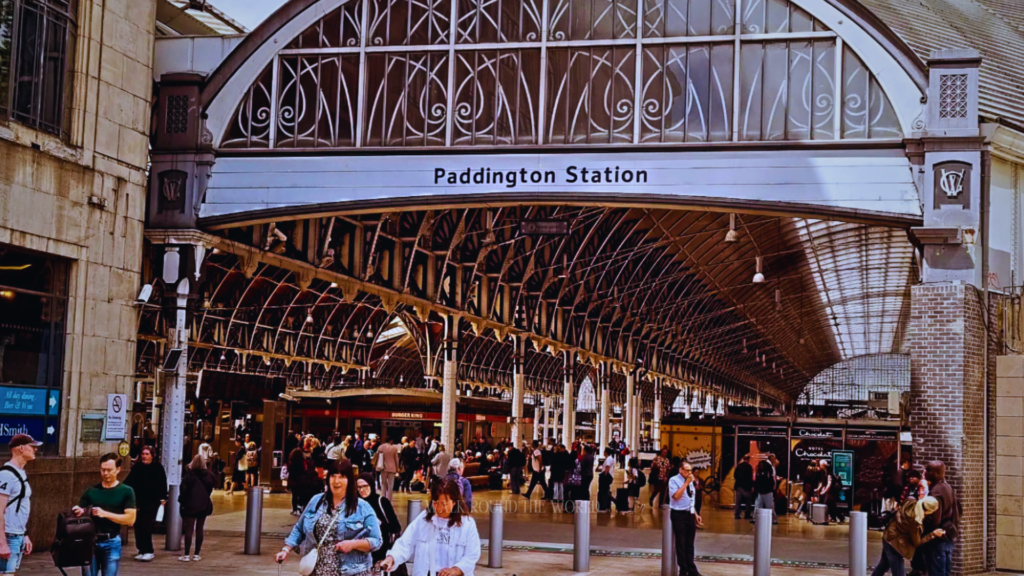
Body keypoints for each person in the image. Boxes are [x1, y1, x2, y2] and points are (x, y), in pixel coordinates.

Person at [275, 459, 383, 576]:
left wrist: (354, 544)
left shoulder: (362, 507)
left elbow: (376, 541)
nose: (336, 481)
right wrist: (286, 549)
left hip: (351, 572)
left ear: (350, 481)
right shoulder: (316, 501)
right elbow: (299, 528)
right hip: (317, 571)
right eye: (333, 476)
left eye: (342, 477)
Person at [379, 478, 481, 576]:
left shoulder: (467, 524)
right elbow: (406, 543)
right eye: (435, 503)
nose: (439, 508)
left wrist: (457, 569)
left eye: (444, 504)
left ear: (454, 502)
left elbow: (472, 554)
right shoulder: (423, 519)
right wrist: (392, 558)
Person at [73, 454, 138, 576]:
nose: (106, 473)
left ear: (118, 470)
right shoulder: (91, 490)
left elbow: (130, 520)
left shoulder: (126, 491)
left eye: (109, 470)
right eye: (103, 470)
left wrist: (105, 514)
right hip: (90, 541)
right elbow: (81, 513)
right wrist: (78, 511)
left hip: (111, 541)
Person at [0, 434, 41, 574]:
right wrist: (2, 543)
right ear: (21, 449)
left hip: (16, 535)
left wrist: (24, 534)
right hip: (8, 535)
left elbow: (19, 507)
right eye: (32, 447)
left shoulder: (20, 473)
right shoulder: (6, 475)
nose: (35, 450)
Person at [871, 496, 943, 576]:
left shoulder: (910, 502)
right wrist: (932, 534)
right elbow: (917, 542)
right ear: (929, 511)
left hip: (889, 536)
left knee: (883, 566)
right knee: (899, 572)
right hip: (895, 545)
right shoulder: (914, 521)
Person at [123, 445, 167, 562]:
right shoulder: (137, 467)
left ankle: (148, 550)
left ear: (152, 455)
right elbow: (128, 482)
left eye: (147, 454)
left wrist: (163, 498)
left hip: (151, 502)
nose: (144, 456)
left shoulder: (157, 467)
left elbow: (162, 483)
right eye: (143, 454)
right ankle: (141, 549)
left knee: (146, 525)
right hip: (138, 502)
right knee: (137, 525)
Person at [919, 461, 959, 576]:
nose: (925, 472)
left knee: (936, 572)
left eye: (928, 470)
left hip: (937, 540)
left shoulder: (936, 491)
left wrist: (928, 534)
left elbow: (934, 519)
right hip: (948, 537)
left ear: (937, 473)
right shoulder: (948, 487)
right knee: (945, 572)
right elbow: (957, 511)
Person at [356, 473, 400, 567]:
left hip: (379, 556)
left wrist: (380, 524)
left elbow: (396, 528)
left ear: (372, 485)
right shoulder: (355, 504)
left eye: (365, 486)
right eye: (359, 487)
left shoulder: (382, 502)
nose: (362, 490)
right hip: (359, 557)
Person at [669, 460, 703, 576]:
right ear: (681, 470)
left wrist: (696, 514)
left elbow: (691, 498)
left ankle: (692, 569)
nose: (689, 473)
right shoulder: (674, 480)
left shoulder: (691, 481)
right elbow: (676, 496)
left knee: (690, 543)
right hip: (678, 514)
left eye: (690, 470)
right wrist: (686, 483)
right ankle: (683, 570)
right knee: (681, 543)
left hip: (689, 513)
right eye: (687, 470)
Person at [178, 454, 215, 562]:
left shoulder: (188, 476)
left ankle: (186, 555)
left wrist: (182, 502)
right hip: (203, 505)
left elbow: (183, 491)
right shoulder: (209, 475)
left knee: (189, 529)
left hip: (190, 505)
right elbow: (210, 488)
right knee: (200, 529)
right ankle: (196, 554)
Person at [754, 459, 777, 524]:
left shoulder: (764, 472)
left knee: (768, 506)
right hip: (765, 491)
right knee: (760, 506)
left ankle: (772, 519)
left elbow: (759, 481)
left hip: (766, 491)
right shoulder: (766, 472)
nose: (761, 466)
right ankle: (756, 518)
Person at [733, 454, 754, 520]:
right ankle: (747, 514)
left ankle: (737, 514)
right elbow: (750, 478)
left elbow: (735, 475)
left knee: (738, 501)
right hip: (746, 486)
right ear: (748, 460)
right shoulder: (749, 467)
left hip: (739, 486)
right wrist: (751, 486)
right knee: (748, 501)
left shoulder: (739, 466)